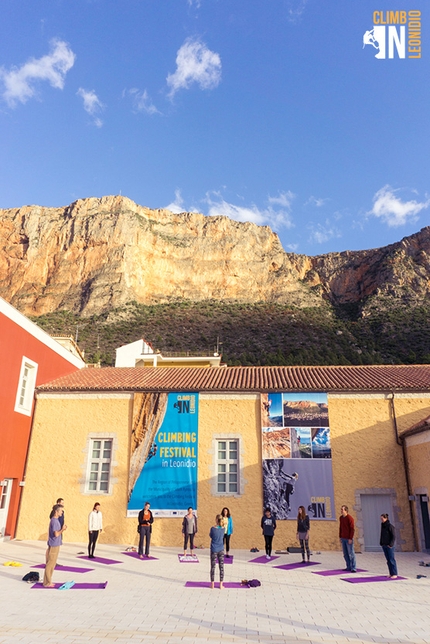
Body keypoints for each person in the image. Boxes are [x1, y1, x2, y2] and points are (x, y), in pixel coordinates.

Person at [43, 504, 67, 587]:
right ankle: (47, 582)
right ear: (56, 512)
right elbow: (56, 534)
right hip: (53, 544)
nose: (62, 512)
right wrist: (62, 530)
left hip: (56, 544)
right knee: (50, 564)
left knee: (52, 564)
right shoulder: (54, 521)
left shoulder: (56, 520)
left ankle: (48, 581)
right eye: (61, 511)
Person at [339, 505, 356, 572]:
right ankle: (348, 566)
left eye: (342, 510)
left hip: (348, 538)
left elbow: (352, 529)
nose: (341, 511)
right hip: (343, 538)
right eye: (341, 509)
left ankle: (353, 567)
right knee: (345, 554)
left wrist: (350, 538)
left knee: (351, 553)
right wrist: (340, 536)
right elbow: (340, 527)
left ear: (346, 511)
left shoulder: (350, 518)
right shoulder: (341, 518)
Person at [209, 514, 225, 589]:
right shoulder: (223, 529)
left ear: (216, 519)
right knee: (221, 567)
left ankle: (212, 584)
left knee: (213, 567)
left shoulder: (213, 528)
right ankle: (221, 585)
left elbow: (211, 535)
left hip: (214, 549)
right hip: (221, 549)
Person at [380, 513, 398, 578]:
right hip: (384, 545)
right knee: (388, 560)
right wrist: (381, 543)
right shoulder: (383, 526)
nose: (381, 520)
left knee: (391, 559)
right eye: (381, 518)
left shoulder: (390, 526)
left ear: (386, 518)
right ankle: (391, 573)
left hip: (389, 546)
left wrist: (391, 544)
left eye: (382, 518)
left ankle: (394, 573)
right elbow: (382, 535)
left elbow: (393, 536)